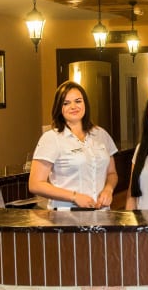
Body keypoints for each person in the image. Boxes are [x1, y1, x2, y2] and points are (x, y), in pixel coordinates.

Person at [29, 81, 118, 210]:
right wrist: (74, 196)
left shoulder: (101, 134)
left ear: (85, 104)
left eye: (78, 101)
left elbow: (112, 173)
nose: (73, 106)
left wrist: (108, 190)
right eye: (66, 103)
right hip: (67, 216)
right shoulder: (51, 138)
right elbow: (35, 184)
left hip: (101, 214)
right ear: (59, 108)